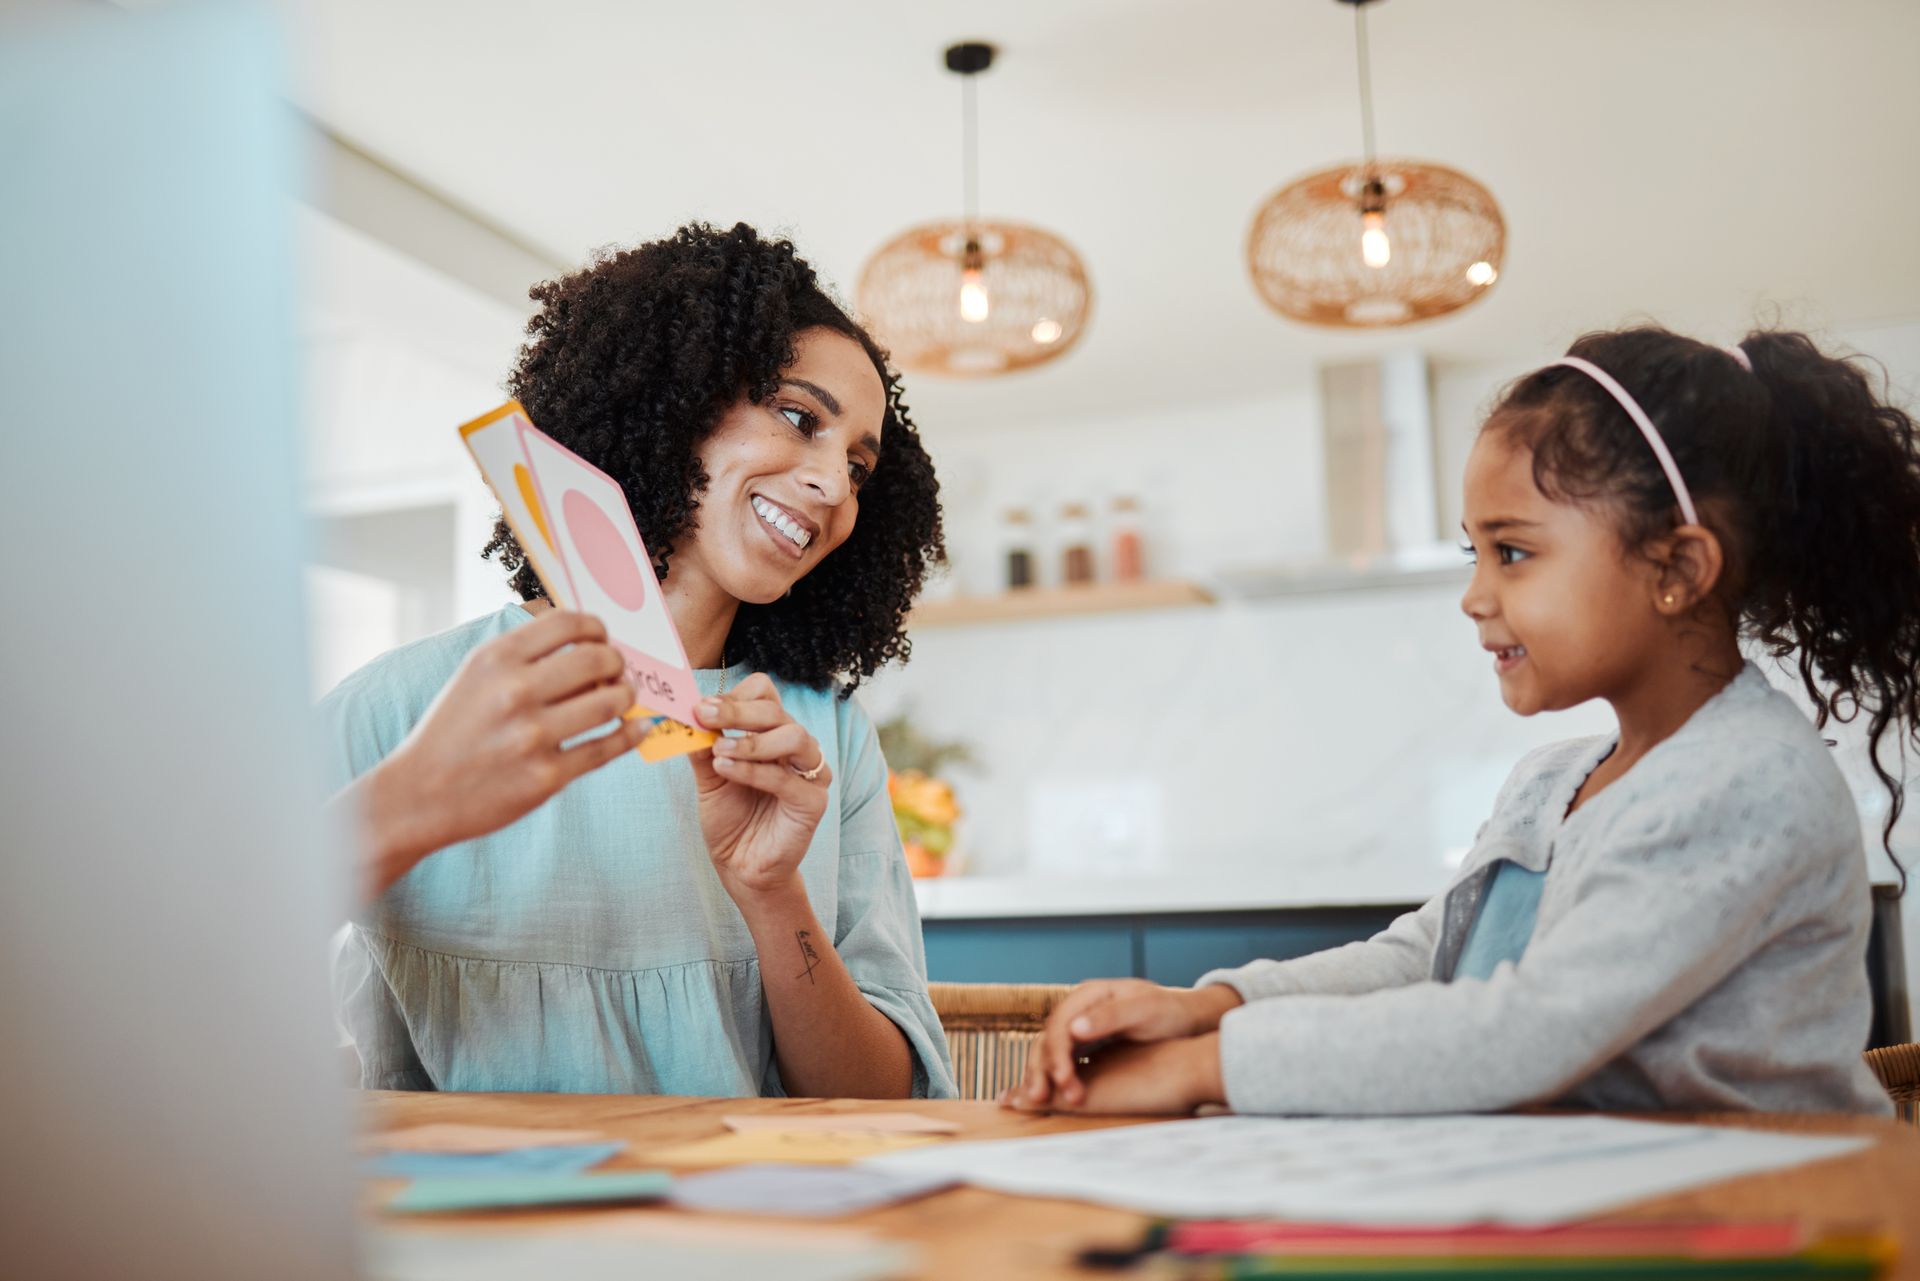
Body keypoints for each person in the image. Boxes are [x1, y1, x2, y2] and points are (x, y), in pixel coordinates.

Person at [1010, 326, 1914, 1117]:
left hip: (1772, 1216)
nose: (1475, 596)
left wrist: (1204, 1068)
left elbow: (1528, 1030)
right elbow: (1428, 956)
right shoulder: (1553, 781)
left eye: (1513, 552)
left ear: (1677, 565)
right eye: (1472, 551)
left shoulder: (1748, 781)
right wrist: (1214, 1005)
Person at [322, 222, 956, 1099]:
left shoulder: (823, 745)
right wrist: (406, 806)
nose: (835, 485)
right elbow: (166, 962)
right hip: (468, 1231)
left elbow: (881, 1102)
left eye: (859, 464)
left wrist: (773, 896)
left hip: (754, 1223)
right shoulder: (400, 707)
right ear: (679, 396)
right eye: (799, 417)